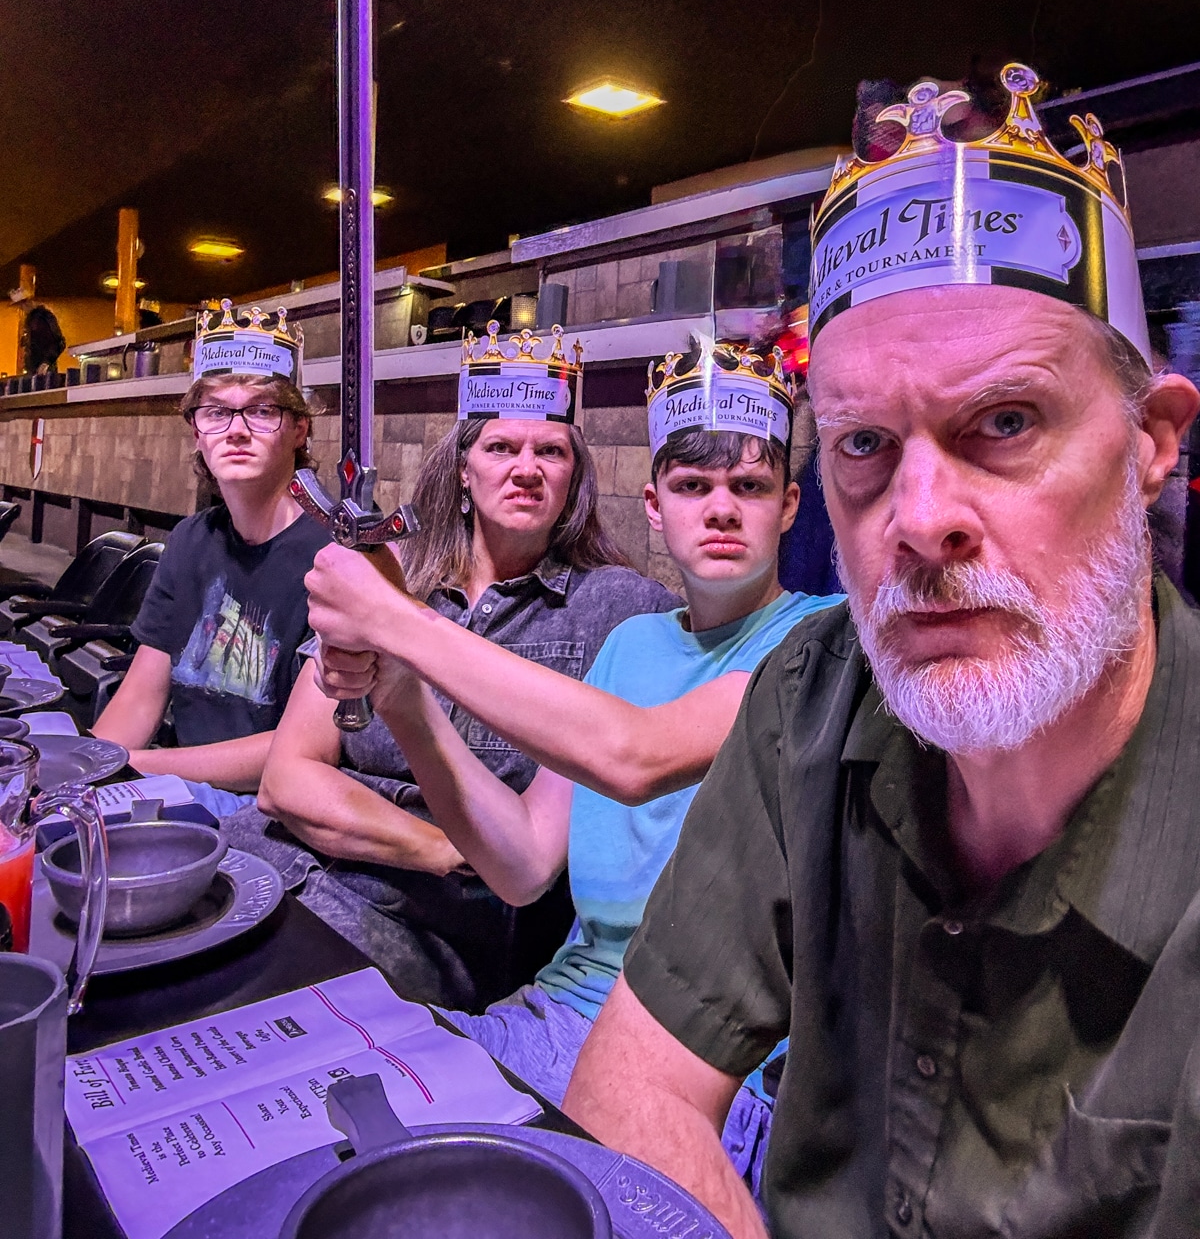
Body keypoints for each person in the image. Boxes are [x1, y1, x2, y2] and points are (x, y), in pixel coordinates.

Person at [563, 65, 1200, 1239]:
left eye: (1003, 422)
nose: (916, 518)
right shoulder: (806, 702)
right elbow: (629, 1084)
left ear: (1152, 443)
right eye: (863, 442)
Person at [305, 336, 842, 1193]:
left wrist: (399, 621)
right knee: (324, 1131)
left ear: (787, 507)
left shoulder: (822, 638)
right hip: (559, 1010)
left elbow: (637, 754)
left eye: (749, 487)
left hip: (724, 1060)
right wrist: (403, 698)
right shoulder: (630, 641)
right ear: (654, 505)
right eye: (693, 486)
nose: (721, 510)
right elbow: (520, 863)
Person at [238, 325, 676, 1009]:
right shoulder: (394, 580)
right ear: (464, 472)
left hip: (429, 933)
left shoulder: (617, 609)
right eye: (501, 447)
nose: (525, 468)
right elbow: (286, 779)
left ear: (574, 478)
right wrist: (444, 846)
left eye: (551, 452)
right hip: (284, 863)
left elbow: (528, 860)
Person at [93, 301, 327, 815]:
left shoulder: (337, 555)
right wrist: (87, 769)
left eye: (263, 410)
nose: (235, 429)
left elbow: (305, 749)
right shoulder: (189, 540)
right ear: (196, 430)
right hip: (178, 788)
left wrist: (138, 765)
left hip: (274, 812)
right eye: (217, 411)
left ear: (300, 428)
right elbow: (140, 697)